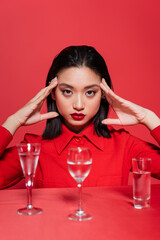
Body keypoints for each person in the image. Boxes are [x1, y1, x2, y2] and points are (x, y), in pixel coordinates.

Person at [0, 45, 160, 189]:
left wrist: (149, 118)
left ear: (103, 94)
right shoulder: (33, 149)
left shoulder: (124, 145)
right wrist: (13, 122)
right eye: (67, 91)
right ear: (52, 93)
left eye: (90, 92)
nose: (78, 104)